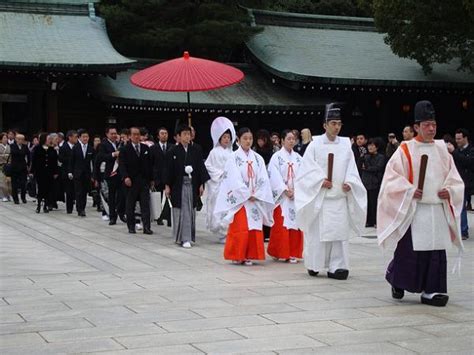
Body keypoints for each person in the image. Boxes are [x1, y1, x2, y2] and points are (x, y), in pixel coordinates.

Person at [377, 100, 464, 307]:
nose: (432, 129)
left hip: (437, 207)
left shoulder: (443, 150)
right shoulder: (406, 149)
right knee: (410, 251)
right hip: (415, 208)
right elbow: (390, 179)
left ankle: (433, 289)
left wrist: (450, 190)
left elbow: (454, 178)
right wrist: (408, 190)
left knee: (436, 250)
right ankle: (396, 278)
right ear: (416, 127)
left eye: (434, 124)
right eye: (426, 125)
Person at [295, 103, 367, 280]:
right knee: (318, 234)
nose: (336, 127)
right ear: (324, 125)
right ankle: (315, 264)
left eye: (339, 123)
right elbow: (305, 171)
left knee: (339, 235)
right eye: (333, 123)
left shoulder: (345, 144)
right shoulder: (314, 144)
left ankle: (338, 266)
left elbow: (352, 168)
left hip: (339, 198)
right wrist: (319, 182)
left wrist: (350, 182)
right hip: (321, 198)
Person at [214, 127, 274, 265]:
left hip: (255, 199)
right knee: (241, 227)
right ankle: (237, 254)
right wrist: (246, 194)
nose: (248, 141)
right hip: (241, 200)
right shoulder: (233, 157)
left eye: (250, 138)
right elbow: (233, 179)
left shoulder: (258, 158)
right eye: (245, 138)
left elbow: (264, 178)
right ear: (238, 140)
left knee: (254, 227)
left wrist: (257, 193)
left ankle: (250, 254)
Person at [164, 125, 210, 248]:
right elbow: (169, 170)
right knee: (181, 211)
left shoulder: (196, 150)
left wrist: (201, 184)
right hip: (179, 185)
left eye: (188, 134)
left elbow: (200, 167)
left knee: (190, 211)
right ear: (178, 136)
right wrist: (167, 185)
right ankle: (183, 238)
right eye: (184, 134)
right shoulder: (173, 151)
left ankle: (188, 237)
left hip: (192, 184)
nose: (187, 136)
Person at [267, 129, 303, 263]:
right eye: (288, 138)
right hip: (282, 197)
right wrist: (284, 189)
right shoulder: (276, 157)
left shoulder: (299, 158)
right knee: (281, 225)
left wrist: (296, 190)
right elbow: (273, 176)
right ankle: (279, 251)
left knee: (295, 224)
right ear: (282, 140)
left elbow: (304, 175)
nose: (291, 141)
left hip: (295, 196)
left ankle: (293, 252)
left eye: (293, 138)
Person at [204, 117, 236, 244]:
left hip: (230, 185)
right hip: (219, 183)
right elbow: (208, 166)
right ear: (219, 138)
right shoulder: (214, 152)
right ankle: (221, 232)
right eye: (224, 137)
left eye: (228, 137)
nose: (226, 139)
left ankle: (228, 230)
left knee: (230, 207)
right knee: (219, 207)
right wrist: (220, 174)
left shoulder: (233, 153)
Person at [119, 127, 154, 234]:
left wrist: (151, 179)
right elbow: (122, 165)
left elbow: (150, 164)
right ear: (129, 136)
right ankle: (131, 226)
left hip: (143, 181)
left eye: (138, 134)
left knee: (145, 205)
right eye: (134, 134)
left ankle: (147, 227)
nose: (136, 136)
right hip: (131, 181)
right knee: (130, 205)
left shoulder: (145, 148)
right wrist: (125, 177)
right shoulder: (125, 149)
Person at [449, 128, 473, 240]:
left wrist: (454, 152)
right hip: (460, 182)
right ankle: (463, 231)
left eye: (459, 138)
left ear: (465, 138)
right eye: (456, 138)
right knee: (460, 207)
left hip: (470, 181)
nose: (457, 141)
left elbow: (468, 162)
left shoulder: (471, 150)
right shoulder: (456, 151)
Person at [96, 127, 124, 225]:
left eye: (115, 133)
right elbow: (101, 157)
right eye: (112, 134)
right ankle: (112, 216)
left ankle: (121, 212)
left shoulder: (120, 143)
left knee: (121, 196)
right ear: (107, 134)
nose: (114, 135)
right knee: (111, 197)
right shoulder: (103, 145)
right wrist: (113, 154)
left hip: (121, 174)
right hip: (111, 174)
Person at [68, 129, 95, 217]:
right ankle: (80, 209)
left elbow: (93, 162)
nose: (85, 138)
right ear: (79, 137)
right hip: (77, 173)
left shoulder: (90, 148)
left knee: (84, 192)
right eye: (83, 137)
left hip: (87, 174)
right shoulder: (75, 147)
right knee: (78, 191)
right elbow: (71, 161)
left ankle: (82, 207)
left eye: (87, 137)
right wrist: (70, 172)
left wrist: (93, 174)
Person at [31, 133, 59, 213]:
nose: (49, 140)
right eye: (48, 139)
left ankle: (46, 205)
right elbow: (34, 161)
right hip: (40, 172)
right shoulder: (37, 148)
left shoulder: (52, 149)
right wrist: (32, 171)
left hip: (49, 173)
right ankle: (39, 205)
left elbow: (54, 162)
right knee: (41, 189)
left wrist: (55, 172)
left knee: (48, 189)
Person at [361, 138, 385, 227]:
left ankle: (376, 221)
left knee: (375, 202)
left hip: (376, 183)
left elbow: (378, 168)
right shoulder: (365, 156)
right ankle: (368, 221)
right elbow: (361, 166)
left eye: (372, 145)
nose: (370, 147)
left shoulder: (381, 157)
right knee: (367, 203)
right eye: (369, 145)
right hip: (366, 182)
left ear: (377, 147)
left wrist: (367, 168)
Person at [152, 127, 172, 226]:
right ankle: (159, 216)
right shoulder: (153, 148)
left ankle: (169, 218)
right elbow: (151, 164)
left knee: (170, 198)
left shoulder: (172, 147)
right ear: (158, 136)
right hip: (158, 177)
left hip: (169, 175)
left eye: (166, 133)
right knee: (158, 198)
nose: (164, 135)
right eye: (162, 133)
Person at [59, 130, 77, 214]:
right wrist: (71, 159)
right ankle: (69, 208)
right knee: (69, 191)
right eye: (75, 137)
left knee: (77, 190)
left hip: (76, 171)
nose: (76, 139)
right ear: (69, 137)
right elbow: (60, 159)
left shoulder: (77, 147)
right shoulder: (64, 147)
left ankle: (79, 207)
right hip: (66, 171)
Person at [9, 134, 30, 205]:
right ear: (16, 139)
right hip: (14, 167)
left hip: (23, 167)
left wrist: (28, 165)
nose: (21, 141)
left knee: (23, 183)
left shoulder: (25, 146)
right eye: (19, 139)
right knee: (14, 184)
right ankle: (15, 198)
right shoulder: (12, 146)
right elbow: (14, 153)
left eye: (22, 139)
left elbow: (28, 155)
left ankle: (23, 197)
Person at [0, 132, 12, 201]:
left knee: (9, 181)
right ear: (1, 139)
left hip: (8, 165)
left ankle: (8, 195)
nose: (5, 139)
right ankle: (3, 196)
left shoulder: (9, 146)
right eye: (4, 138)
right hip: (1, 165)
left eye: (6, 138)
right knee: (2, 181)